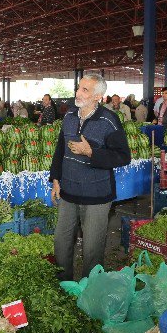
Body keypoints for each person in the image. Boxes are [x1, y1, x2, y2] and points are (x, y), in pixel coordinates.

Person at [49, 74, 131, 280]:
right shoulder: (69, 116)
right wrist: (55, 179)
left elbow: (123, 156)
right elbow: (60, 149)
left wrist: (91, 152)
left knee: (92, 249)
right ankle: (63, 285)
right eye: (79, 88)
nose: (78, 93)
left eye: (85, 90)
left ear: (98, 97)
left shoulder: (109, 121)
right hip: (68, 191)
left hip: (96, 195)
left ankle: (90, 289)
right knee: (61, 242)